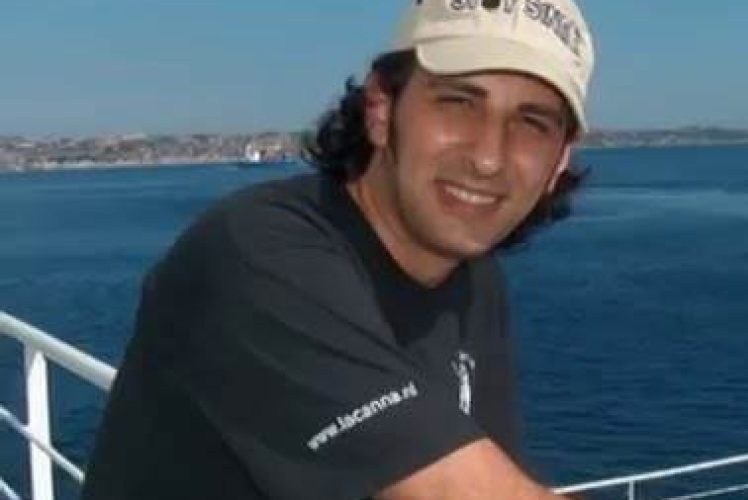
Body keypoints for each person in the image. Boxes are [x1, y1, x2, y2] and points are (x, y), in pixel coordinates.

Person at [81, 0, 595, 498]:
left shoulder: (475, 281)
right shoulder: (257, 255)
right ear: (381, 108)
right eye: (458, 102)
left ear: (559, 161)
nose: (488, 157)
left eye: (532, 123)